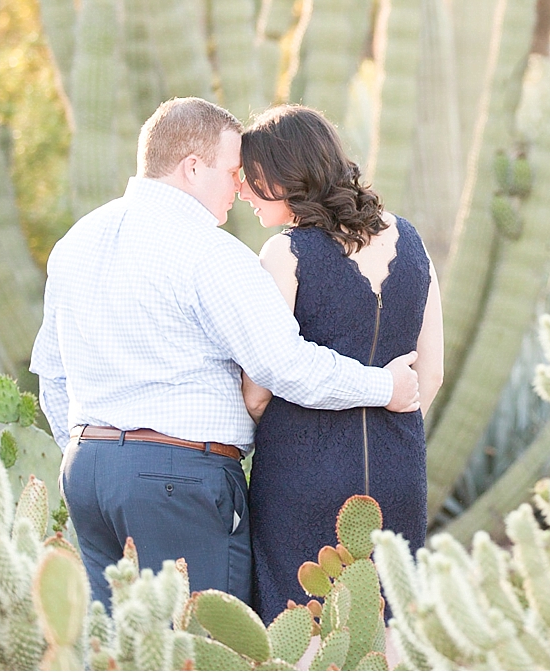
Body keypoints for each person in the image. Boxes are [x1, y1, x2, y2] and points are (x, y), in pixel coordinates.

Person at [31, 97, 421, 609]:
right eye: (233, 171)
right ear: (193, 167)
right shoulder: (209, 253)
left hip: (87, 472)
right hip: (179, 481)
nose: (241, 188)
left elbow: (52, 374)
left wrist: (91, 455)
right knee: (208, 646)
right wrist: (385, 386)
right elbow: (283, 366)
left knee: (119, 650)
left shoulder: (77, 240)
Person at [236, 104, 442, 623]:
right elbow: (430, 373)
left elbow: (259, 389)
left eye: (252, 179)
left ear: (286, 173)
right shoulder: (412, 243)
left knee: (301, 624)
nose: (243, 193)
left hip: (301, 474)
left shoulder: (283, 253)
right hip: (399, 471)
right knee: (387, 619)